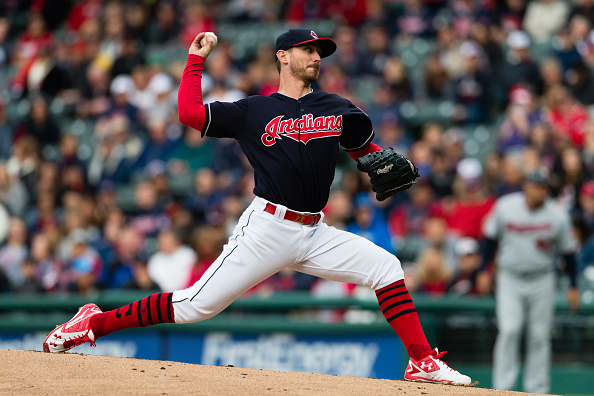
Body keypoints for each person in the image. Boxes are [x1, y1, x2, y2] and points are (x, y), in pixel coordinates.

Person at [43, 29, 471, 385]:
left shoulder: (337, 108)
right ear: (282, 56)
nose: (316, 57)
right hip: (267, 228)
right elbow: (190, 114)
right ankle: (92, 323)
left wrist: (380, 157)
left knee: (387, 268)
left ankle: (421, 360)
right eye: (307, 50)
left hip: (315, 231)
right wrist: (195, 61)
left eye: (319, 52)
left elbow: (367, 152)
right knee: (195, 306)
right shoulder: (255, 110)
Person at [480, 167, 580, 393]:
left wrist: (573, 285)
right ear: (526, 186)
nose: (541, 191)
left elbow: (569, 253)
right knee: (510, 329)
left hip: (542, 279)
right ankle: (503, 387)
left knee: (539, 336)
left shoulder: (557, 214)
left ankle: (537, 389)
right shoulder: (506, 206)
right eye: (537, 186)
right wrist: (485, 270)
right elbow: (489, 240)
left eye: (544, 187)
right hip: (510, 278)